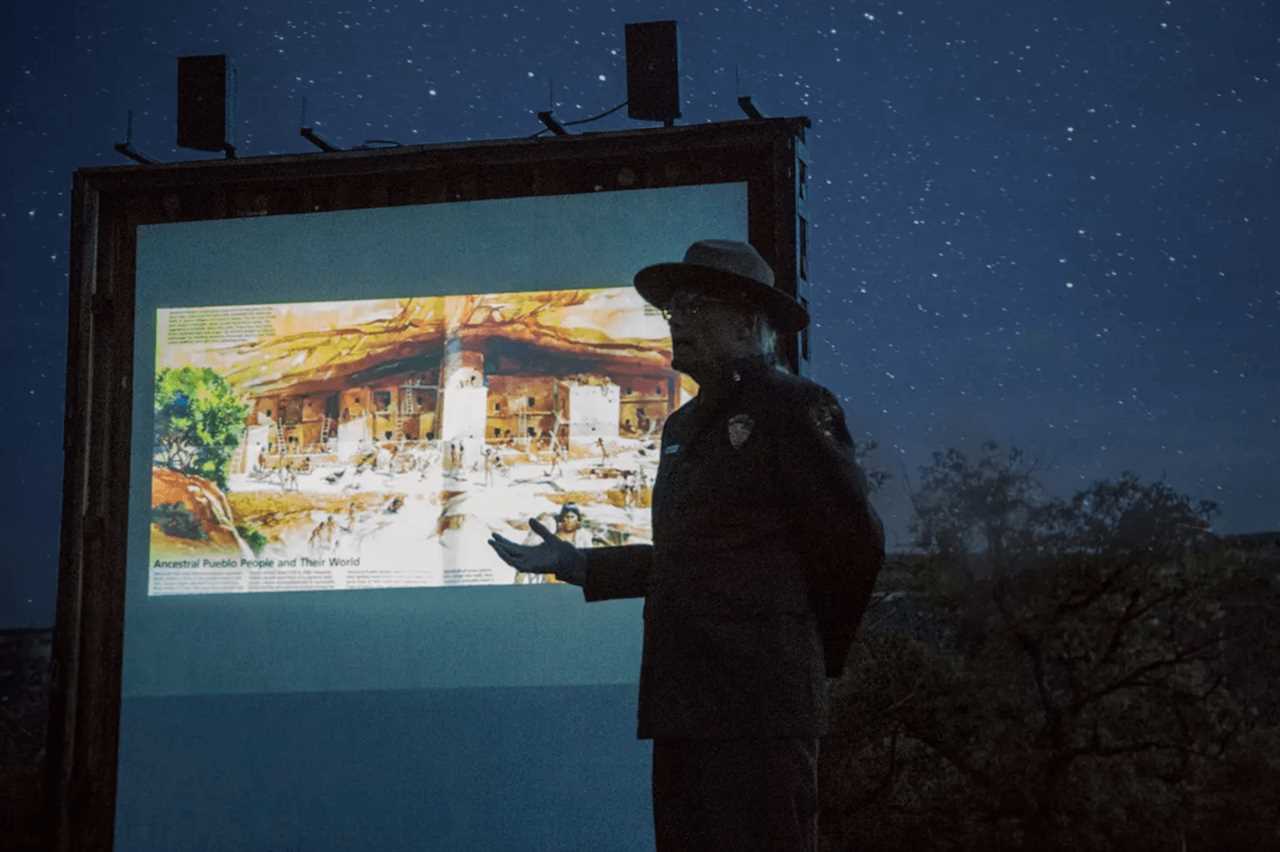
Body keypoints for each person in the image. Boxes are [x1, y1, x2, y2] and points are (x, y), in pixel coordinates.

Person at [488, 239, 884, 851]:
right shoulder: (684, 425)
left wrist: (797, 651)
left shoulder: (794, 407)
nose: (678, 323)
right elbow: (693, 556)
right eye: (672, 310)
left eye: (695, 305)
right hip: (683, 702)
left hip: (760, 708)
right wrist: (580, 564)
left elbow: (853, 545)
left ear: (747, 319)